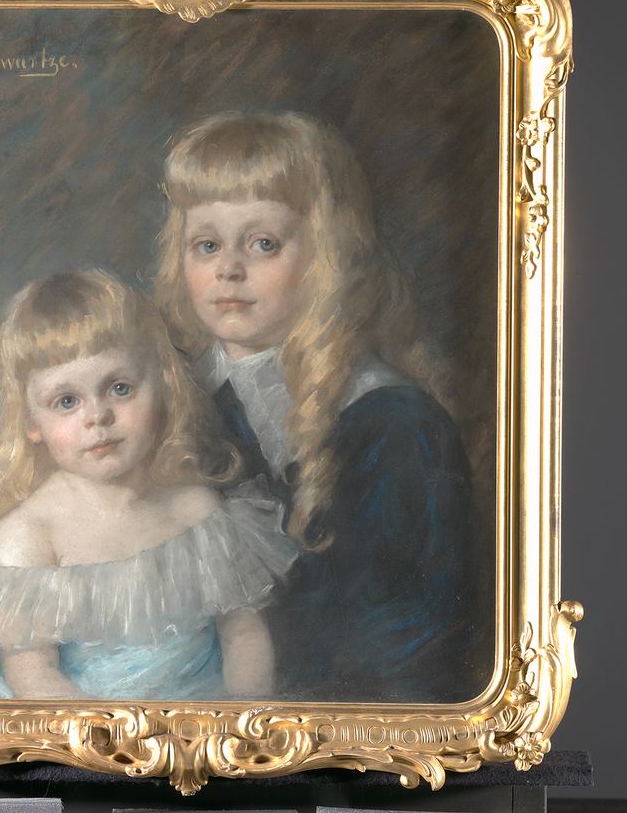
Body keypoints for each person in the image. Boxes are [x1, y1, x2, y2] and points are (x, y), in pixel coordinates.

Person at [153, 112, 494, 703]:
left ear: (326, 256)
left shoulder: (397, 425)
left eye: (264, 244)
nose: (228, 268)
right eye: (206, 245)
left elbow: (417, 647)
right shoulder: (170, 407)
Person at [0, 269, 297, 701]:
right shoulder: (29, 536)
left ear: (162, 389)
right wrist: (109, 738)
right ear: (31, 422)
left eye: (120, 388)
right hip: (81, 729)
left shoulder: (197, 511)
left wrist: (237, 721)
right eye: (66, 401)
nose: (97, 416)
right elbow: (33, 673)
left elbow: (244, 636)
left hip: (202, 727)